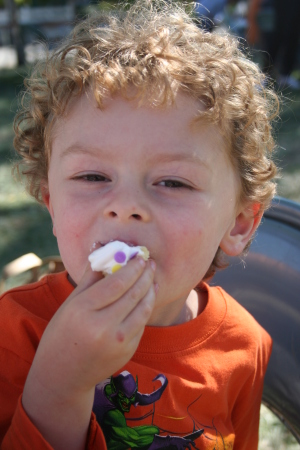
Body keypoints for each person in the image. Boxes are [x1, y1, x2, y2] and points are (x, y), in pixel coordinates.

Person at [0, 1, 279, 449]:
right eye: (93, 177)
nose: (126, 207)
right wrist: (59, 384)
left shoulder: (244, 346)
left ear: (239, 223)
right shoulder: (13, 334)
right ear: (52, 206)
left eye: (172, 181)